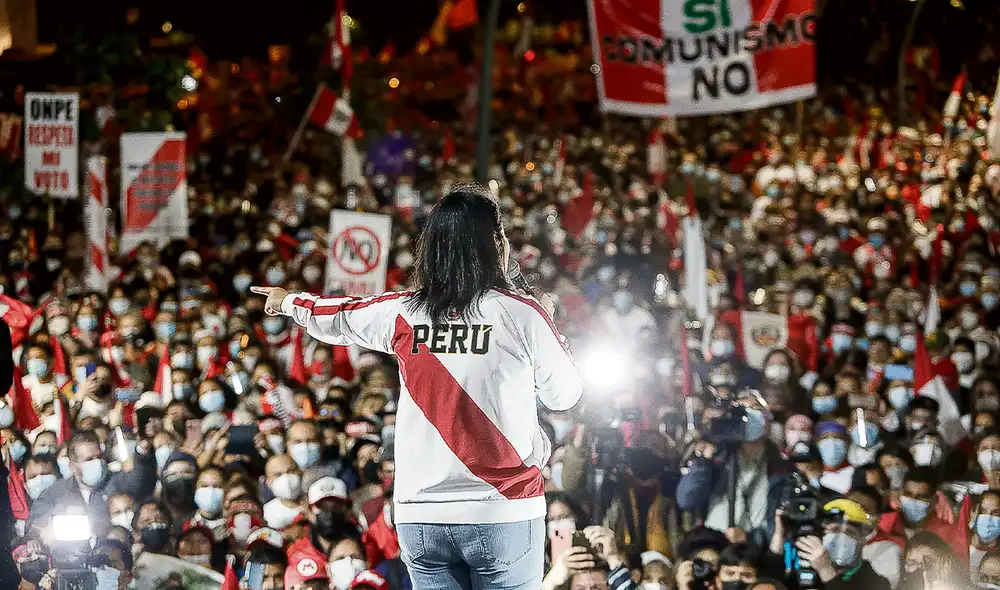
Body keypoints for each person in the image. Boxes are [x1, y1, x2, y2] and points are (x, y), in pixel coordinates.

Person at [254, 183, 584, 590]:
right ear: (494, 244)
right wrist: (549, 337)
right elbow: (564, 396)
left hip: (421, 515)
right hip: (502, 509)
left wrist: (288, 302)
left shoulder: (404, 310)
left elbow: (341, 314)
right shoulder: (521, 312)